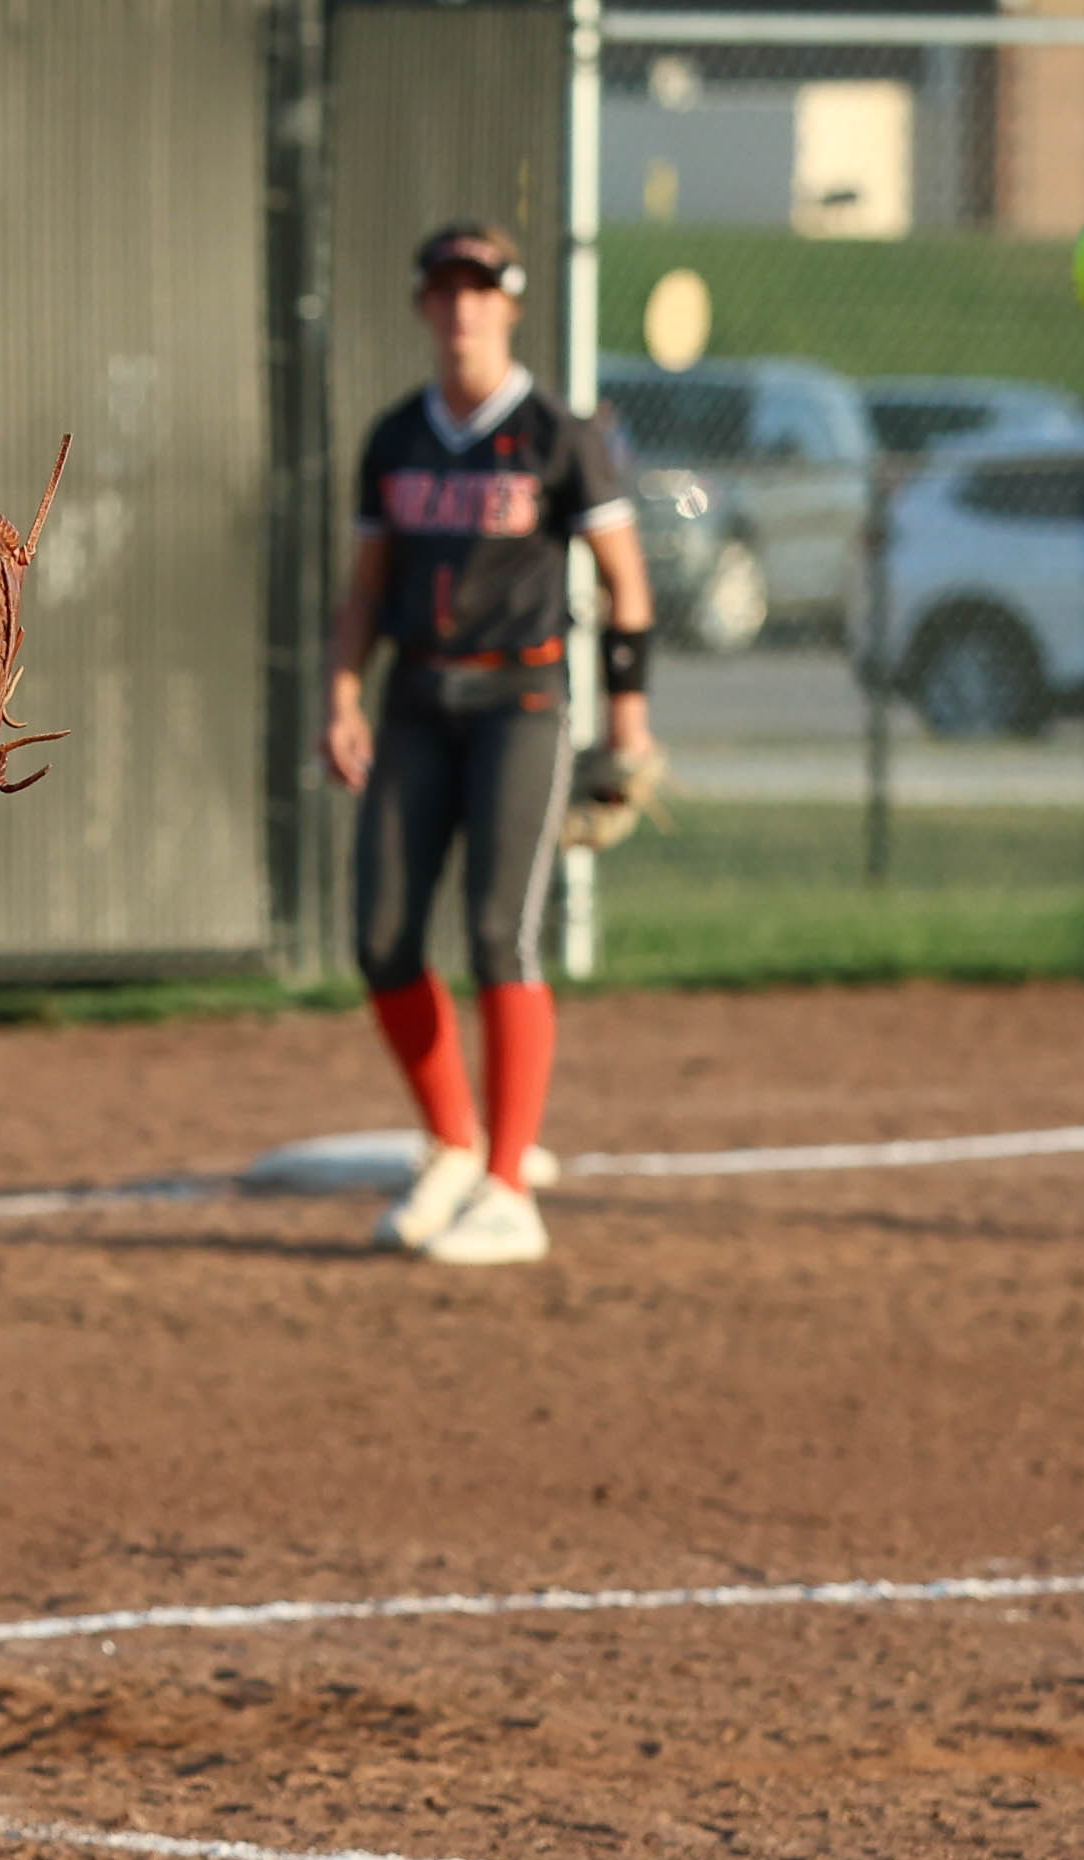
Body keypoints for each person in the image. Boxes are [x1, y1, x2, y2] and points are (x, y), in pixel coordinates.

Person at [322, 222, 658, 1266]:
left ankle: (511, 1186)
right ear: (423, 304)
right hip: (419, 700)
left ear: (509, 304)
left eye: (480, 289)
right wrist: (343, 694)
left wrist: (629, 722)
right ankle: (454, 1144)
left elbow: (626, 583)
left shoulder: (558, 434)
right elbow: (367, 590)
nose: (461, 307)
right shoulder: (397, 436)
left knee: (497, 932)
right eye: (445, 288)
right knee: (382, 935)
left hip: (523, 702)